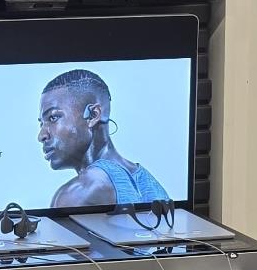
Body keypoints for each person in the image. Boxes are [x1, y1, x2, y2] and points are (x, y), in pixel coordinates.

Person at [37, 67, 170, 211]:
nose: (41, 135)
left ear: (93, 115)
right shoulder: (153, 186)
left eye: (53, 117)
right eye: (41, 124)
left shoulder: (78, 193)